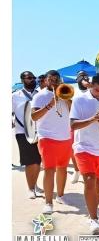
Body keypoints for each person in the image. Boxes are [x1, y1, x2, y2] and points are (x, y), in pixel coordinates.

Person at [70, 73, 99, 233]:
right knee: (90, 180)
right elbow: (73, 125)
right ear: (91, 85)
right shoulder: (79, 99)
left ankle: (93, 213)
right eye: (97, 90)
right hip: (84, 147)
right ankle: (93, 217)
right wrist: (92, 119)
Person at [31, 70, 73, 214]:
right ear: (46, 80)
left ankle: (60, 196)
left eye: (57, 79)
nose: (54, 81)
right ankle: (48, 203)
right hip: (47, 137)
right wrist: (50, 104)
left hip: (65, 137)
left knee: (63, 168)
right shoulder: (39, 96)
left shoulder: (65, 93)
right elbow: (34, 116)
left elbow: (73, 112)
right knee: (49, 169)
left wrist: (66, 98)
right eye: (51, 79)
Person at [12, 71, 43, 199]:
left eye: (33, 78)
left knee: (38, 161)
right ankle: (31, 188)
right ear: (22, 79)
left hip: (39, 132)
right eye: (29, 78)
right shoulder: (15, 96)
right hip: (22, 132)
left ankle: (34, 184)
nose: (32, 80)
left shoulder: (40, 95)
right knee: (31, 162)